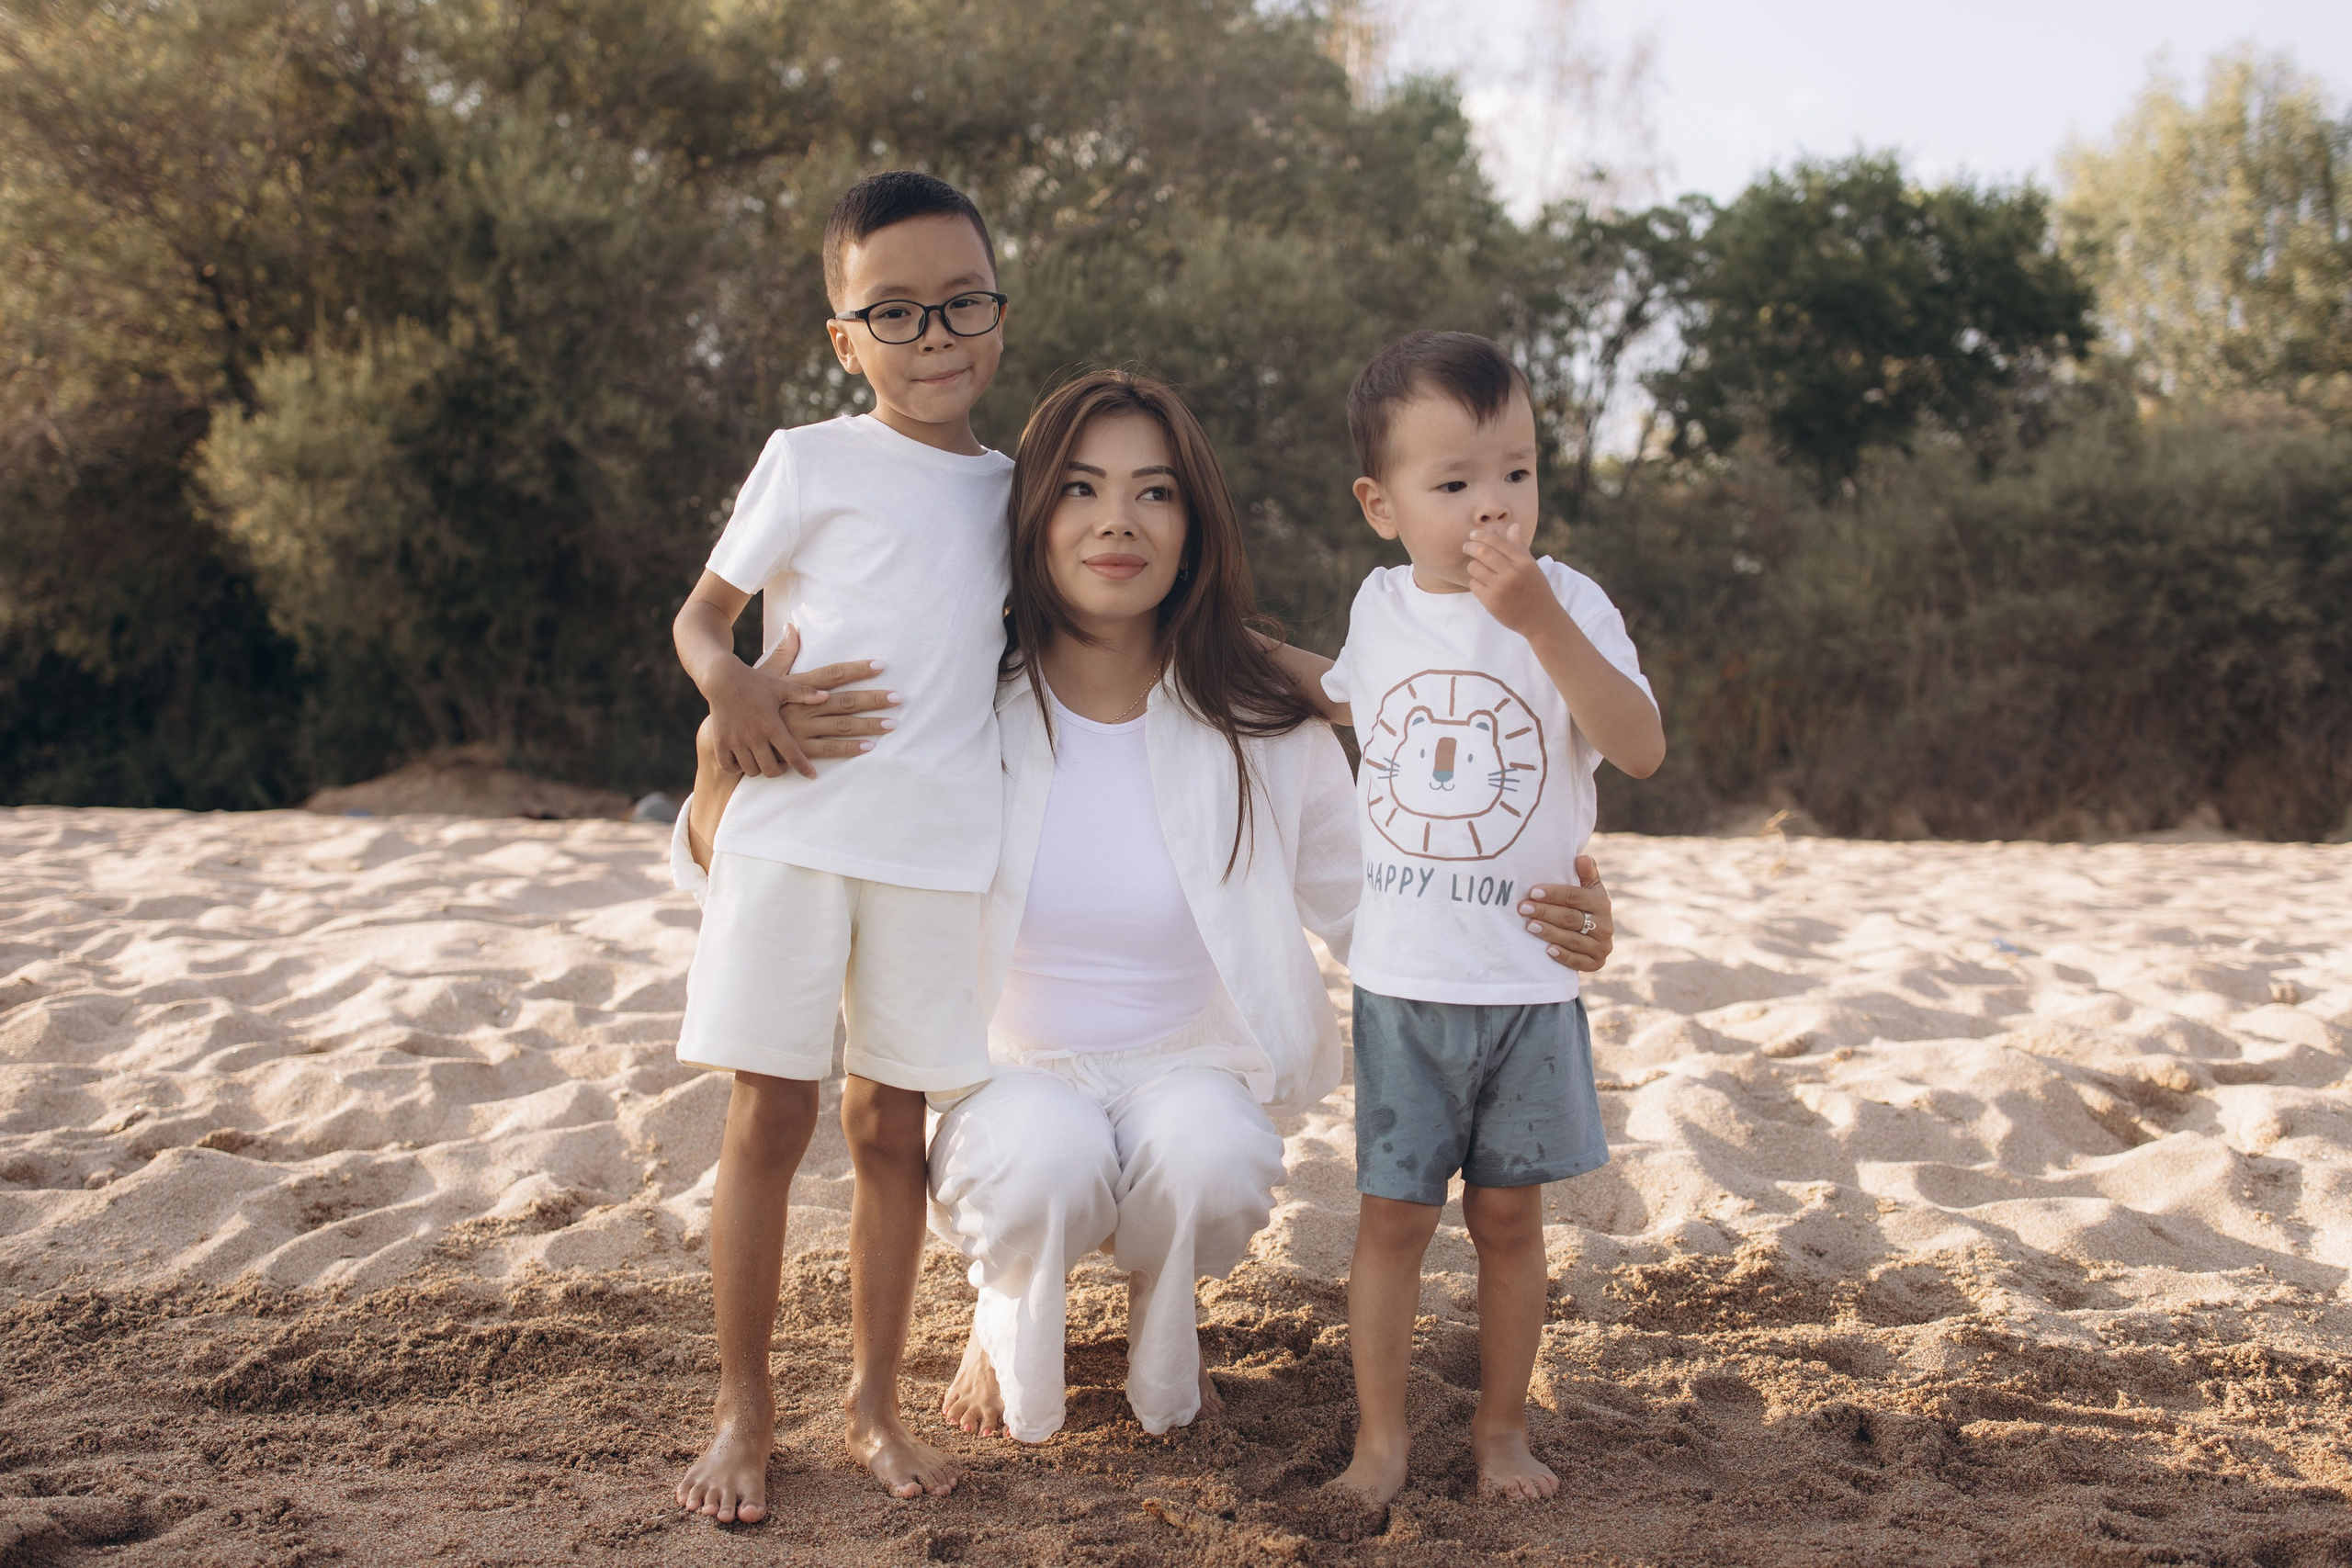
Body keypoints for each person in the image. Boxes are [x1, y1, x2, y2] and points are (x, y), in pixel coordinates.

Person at [759, 369, 1619, 1446]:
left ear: (1191, 523)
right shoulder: (965, 706)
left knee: (1213, 1152)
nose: (1118, 519)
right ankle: (1003, 1321)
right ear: (1033, 519)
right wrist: (714, 761)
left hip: (1187, 1063)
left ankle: (1165, 1344)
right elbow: (767, 851)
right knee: (1044, 1161)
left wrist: (1563, 924)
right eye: (1080, 489)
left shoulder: (1258, 723)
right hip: (1010, 1074)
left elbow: (1383, 899)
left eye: (1154, 493)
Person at [666, 169, 1017, 1519]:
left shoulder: (1014, 484)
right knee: (773, 1113)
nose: (936, 339)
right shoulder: (807, 458)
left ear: (998, 307)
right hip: (798, 833)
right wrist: (732, 692)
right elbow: (705, 617)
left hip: (937, 850)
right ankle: (742, 1411)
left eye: (963, 304)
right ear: (845, 337)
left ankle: (870, 1400)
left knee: (892, 1128)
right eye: (898, 314)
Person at [1313, 331, 1664, 1506]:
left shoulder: (1570, 601)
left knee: (1511, 1219)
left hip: (1526, 985)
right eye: (1453, 483)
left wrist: (1540, 626)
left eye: (1514, 473)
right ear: (1381, 504)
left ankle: (1503, 1429)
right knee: (1394, 1224)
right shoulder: (1378, 608)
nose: (1491, 507)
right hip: (1406, 983)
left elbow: (1640, 745)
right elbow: (1335, 702)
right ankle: (1381, 1441)